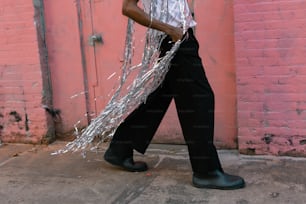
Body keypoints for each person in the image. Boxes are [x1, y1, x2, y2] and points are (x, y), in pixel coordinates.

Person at [104, 0, 245, 190]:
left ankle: (120, 148)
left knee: (160, 97)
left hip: (180, 37)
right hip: (174, 40)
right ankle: (206, 172)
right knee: (199, 100)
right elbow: (128, 8)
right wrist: (170, 29)